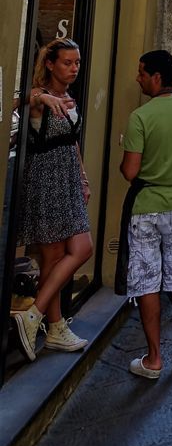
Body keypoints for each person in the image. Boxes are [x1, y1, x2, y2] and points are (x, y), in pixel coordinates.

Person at [118, 49, 172, 379]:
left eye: (141, 73)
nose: (137, 78)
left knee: (147, 282)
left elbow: (130, 171)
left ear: (157, 78)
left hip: (145, 210)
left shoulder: (140, 117)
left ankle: (154, 359)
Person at [13, 38, 94, 361]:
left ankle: (35, 315)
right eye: (67, 63)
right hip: (45, 180)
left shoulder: (68, 97)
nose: (74, 68)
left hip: (68, 179)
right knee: (55, 255)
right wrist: (42, 96)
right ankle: (53, 326)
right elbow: (19, 98)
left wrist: (83, 177)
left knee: (77, 250)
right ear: (50, 64)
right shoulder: (39, 98)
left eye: (76, 63)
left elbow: (72, 143)